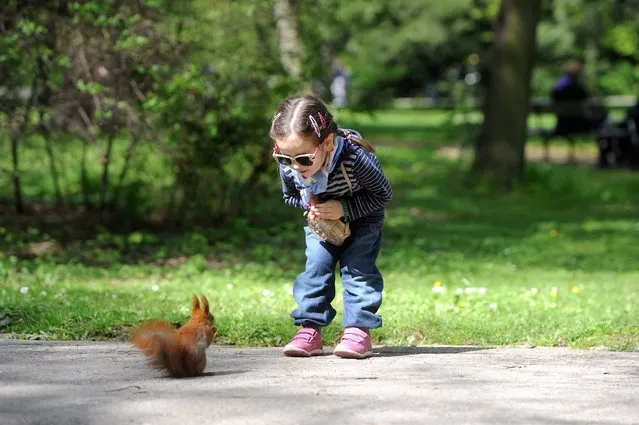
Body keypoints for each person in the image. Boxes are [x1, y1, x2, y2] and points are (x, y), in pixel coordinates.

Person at [269, 94, 392, 359]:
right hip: (322, 222)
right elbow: (290, 195)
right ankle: (310, 329)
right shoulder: (291, 164)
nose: (293, 166)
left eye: (303, 159)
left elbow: (382, 194)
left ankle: (358, 331)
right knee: (316, 268)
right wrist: (311, 204)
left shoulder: (355, 159)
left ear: (326, 143)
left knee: (359, 270)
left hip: (363, 219)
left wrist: (344, 209)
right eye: (282, 158)